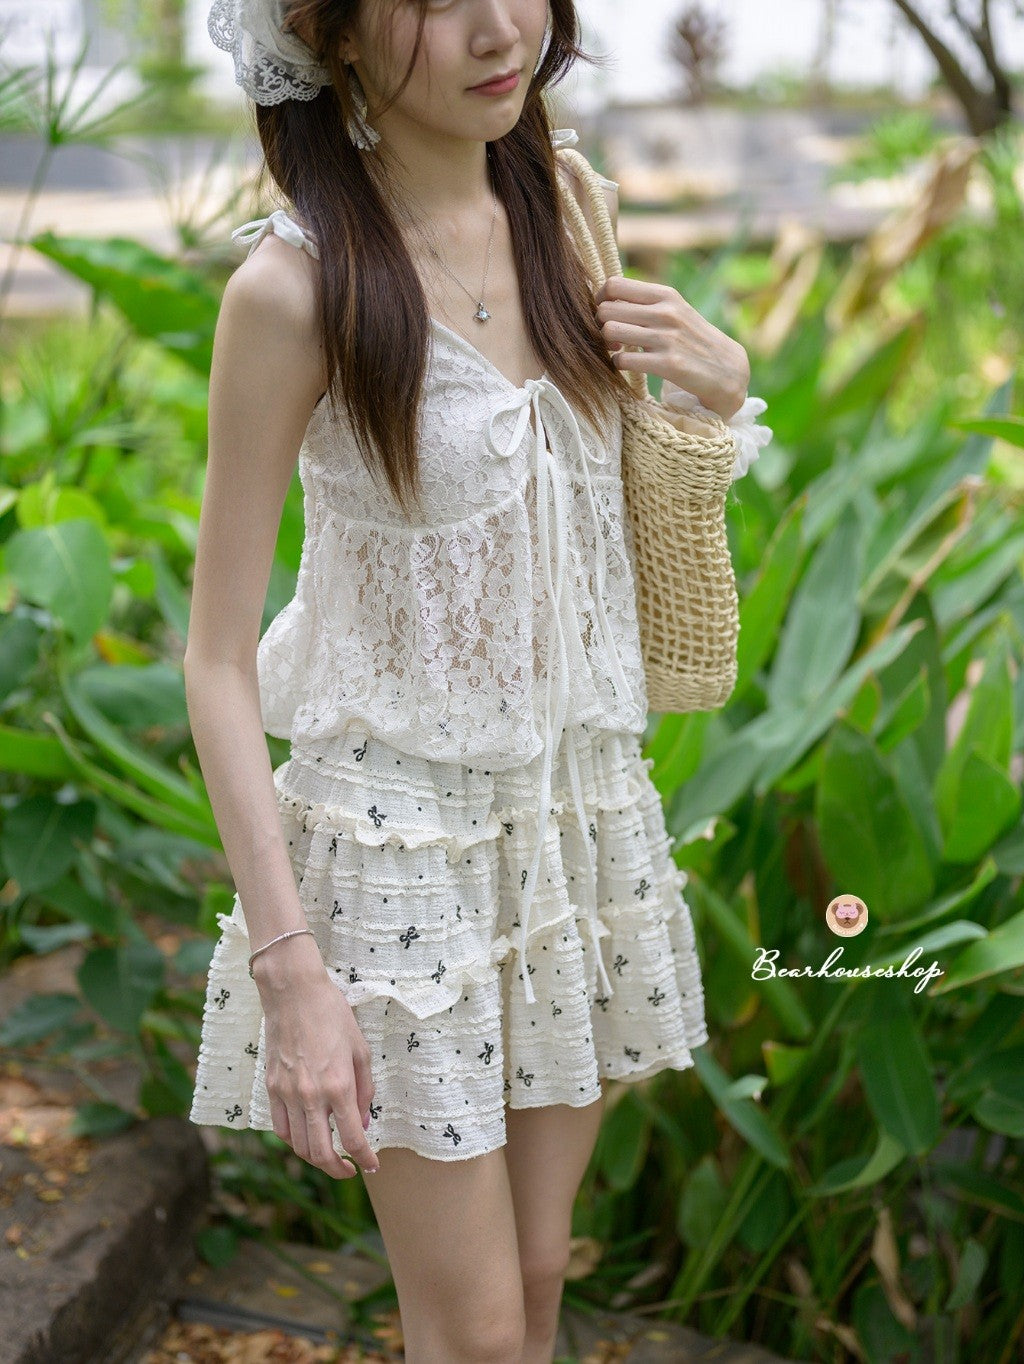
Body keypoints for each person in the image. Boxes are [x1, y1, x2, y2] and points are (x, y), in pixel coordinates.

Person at [186, 1, 768, 1360]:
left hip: (575, 827)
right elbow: (214, 661)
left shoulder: (569, 214)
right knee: (479, 1332)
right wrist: (292, 970)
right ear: (329, 33)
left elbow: (593, 530)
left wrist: (717, 393)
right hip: (402, 855)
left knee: (542, 1279)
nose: (500, 27)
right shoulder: (296, 290)